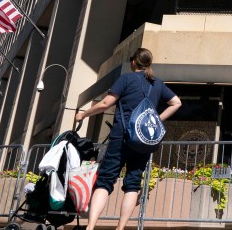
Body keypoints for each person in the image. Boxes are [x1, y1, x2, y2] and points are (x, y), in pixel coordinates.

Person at [74, 48, 181, 230]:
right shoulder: (157, 84)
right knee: (133, 184)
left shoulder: (126, 79)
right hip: (144, 141)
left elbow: (106, 103)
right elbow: (176, 102)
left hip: (121, 138)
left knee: (105, 180)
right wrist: (155, 120)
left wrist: (83, 115)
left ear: (133, 62)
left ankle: (91, 226)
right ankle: (121, 227)